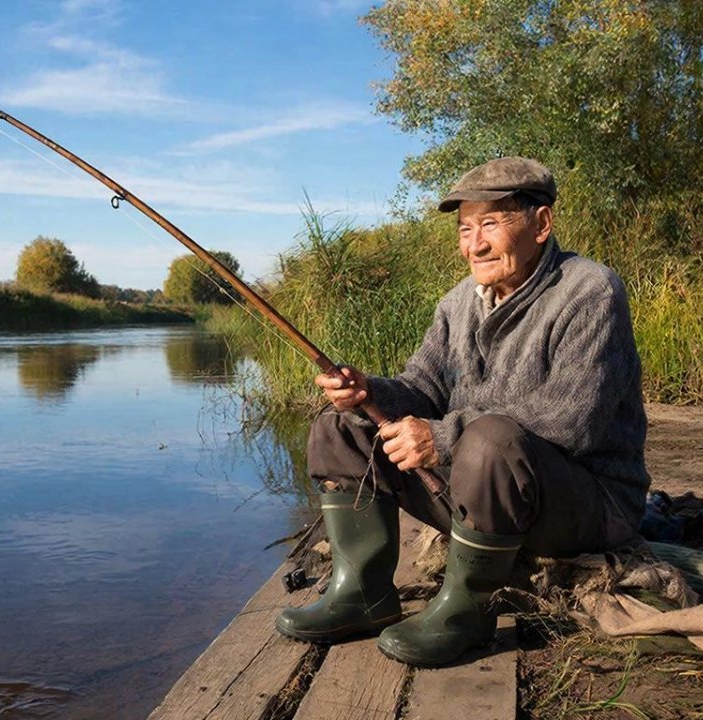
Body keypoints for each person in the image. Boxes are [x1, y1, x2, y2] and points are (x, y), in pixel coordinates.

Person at [275, 157, 650, 668]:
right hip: (483, 491)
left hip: (590, 505)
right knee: (341, 426)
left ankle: (467, 613)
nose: (475, 245)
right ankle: (362, 594)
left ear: (541, 224)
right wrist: (368, 391)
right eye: (465, 229)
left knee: (490, 438)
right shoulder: (457, 304)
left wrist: (444, 436)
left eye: (490, 224)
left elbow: (572, 421)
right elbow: (422, 388)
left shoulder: (590, 291)